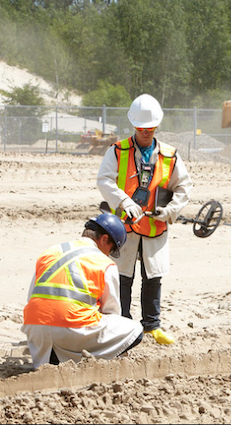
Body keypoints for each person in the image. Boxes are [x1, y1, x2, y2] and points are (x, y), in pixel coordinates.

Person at [96, 93, 193, 345]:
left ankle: (152, 327)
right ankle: (124, 324)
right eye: (141, 129)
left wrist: (171, 210)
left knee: (153, 277)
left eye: (150, 128)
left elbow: (183, 186)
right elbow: (104, 180)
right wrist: (124, 202)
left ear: (157, 126)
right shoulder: (118, 151)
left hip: (155, 226)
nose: (146, 133)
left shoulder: (170, 155)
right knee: (123, 277)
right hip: (124, 228)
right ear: (134, 126)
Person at [21, 214, 144, 369]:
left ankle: (54, 355)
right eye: (111, 249)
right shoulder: (104, 263)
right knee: (135, 330)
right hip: (70, 330)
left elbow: (32, 295)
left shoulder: (50, 252)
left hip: (35, 327)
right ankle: (82, 358)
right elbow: (112, 312)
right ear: (104, 239)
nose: (109, 254)